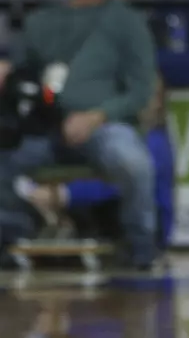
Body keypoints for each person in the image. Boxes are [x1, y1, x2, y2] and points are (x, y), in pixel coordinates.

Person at [0, 0, 159, 270]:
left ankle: (141, 245)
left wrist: (97, 116)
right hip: (45, 125)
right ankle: (15, 232)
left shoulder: (128, 22)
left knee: (130, 160)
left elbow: (140, 91)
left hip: (104, 126)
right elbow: (19, 70)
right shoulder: (42, 20)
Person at [14, 75, 174, 250]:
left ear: (158, 102)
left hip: (150, 230)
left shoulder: (154, 142)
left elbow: (117, 185)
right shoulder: (115, 138)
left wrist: (62, 194)